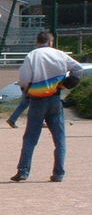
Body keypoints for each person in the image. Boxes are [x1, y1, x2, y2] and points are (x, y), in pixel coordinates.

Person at [10, 30, 83, 183]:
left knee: (30, 138)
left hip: (37, 99)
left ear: (37, 42)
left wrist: (27, 91)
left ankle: (23, 171)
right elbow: (77, 69)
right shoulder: (60, 54)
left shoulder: (32, 55)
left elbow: (23, 78)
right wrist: (64, 85)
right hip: (55, 99)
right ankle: (58, 173)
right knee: (59, 139)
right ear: (51, 42)